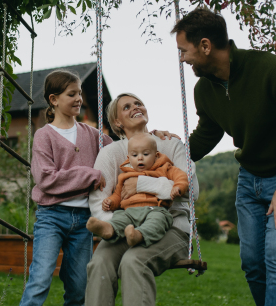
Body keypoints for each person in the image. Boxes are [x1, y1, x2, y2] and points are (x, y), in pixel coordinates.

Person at [173, 7, 276, 306]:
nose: (182, 58)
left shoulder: (274, 70)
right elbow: (207, 134)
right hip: (250, 181)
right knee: (253, 263)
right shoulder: (204, 90)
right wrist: (168, 152)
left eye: (184, 50)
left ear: (205, 45)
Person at [21, 71, 176, 306]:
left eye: (80, 94)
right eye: (71, 94)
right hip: (51, 216)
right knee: (41, 278)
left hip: (84, 220)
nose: (79, 99)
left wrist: (153, 135)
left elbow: (129, 147)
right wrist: (90, 175)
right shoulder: (44, 136)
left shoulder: (94, 136)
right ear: (54, 99)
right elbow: (46, 178)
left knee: (80, 286)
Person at [85, 93, 199, 306]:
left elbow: (191, 192)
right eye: (127, 106)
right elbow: (98, 201)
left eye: (138, 103)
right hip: (124, 227)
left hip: (171, 226)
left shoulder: (170, 143)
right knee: (99, 262)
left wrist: (141, 185)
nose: (135, 107)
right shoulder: (110, 153)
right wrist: (118, 225)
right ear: (117, 121)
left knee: (134, 261)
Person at [86, 133, 189, 247]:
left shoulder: (164, 167)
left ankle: (138, 236)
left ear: (156, 155)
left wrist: (178, 187)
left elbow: (181, 176)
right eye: (135, 155)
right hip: (129, 211)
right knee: (120, 218)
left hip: (155, 209)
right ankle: (109, 229)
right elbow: (118, 194)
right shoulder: (126, 176)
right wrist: (111, 202)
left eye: (145, 154)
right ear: (129, 159)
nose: (140, 158)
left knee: (158, 222)